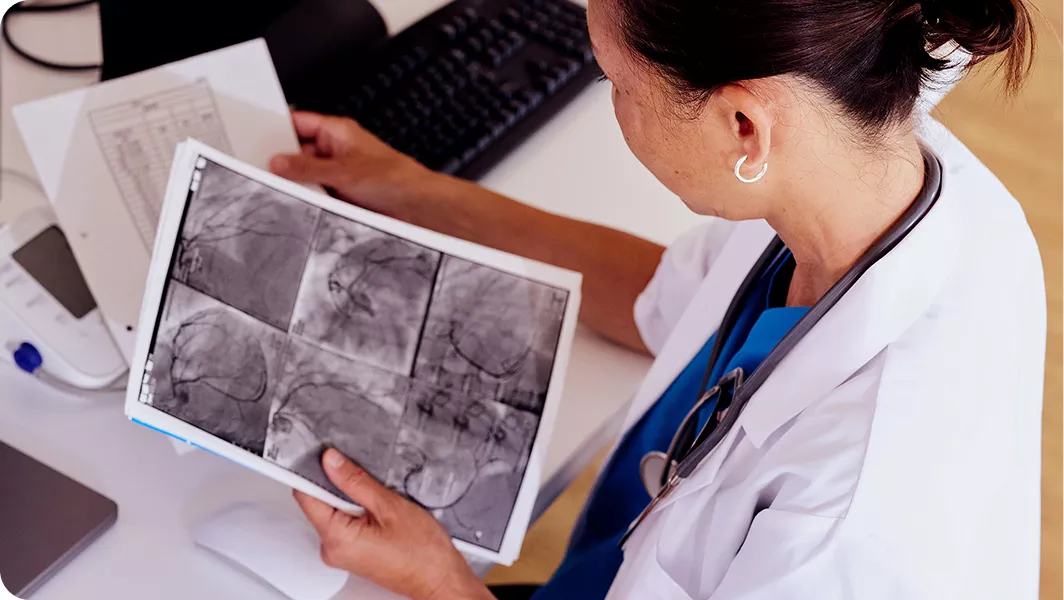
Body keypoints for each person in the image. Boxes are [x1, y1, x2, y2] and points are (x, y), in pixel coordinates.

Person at [268, 0, 1046, 597]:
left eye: (616, 79)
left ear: (744, 126)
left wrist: (440, 582)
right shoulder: (862, 167)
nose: (611, 101)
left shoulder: (843, 528)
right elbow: (666, 292)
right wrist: (414, 190)